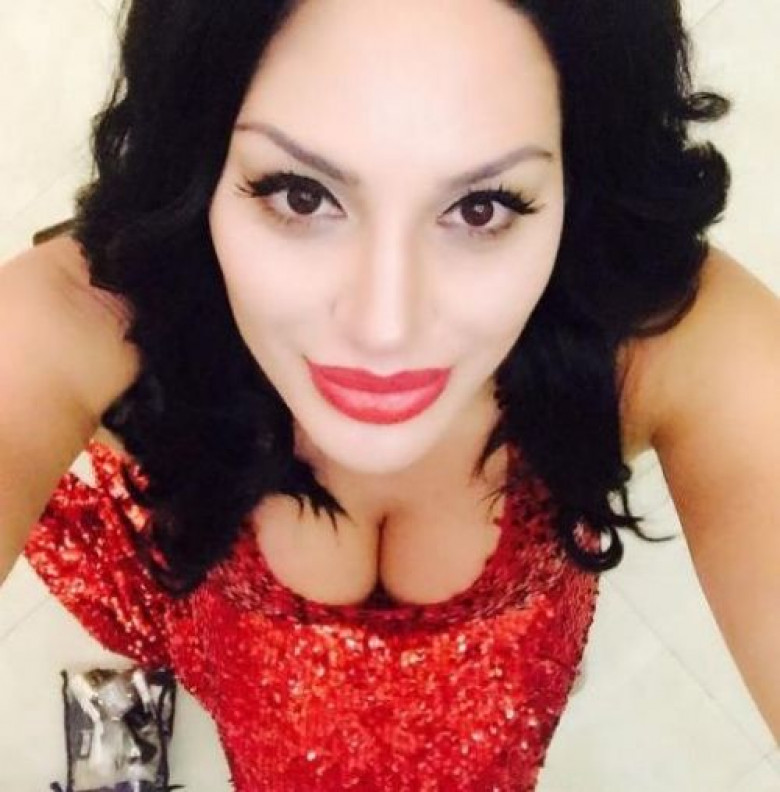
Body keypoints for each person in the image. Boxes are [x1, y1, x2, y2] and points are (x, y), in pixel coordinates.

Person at [2, 0, 779, 789]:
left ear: (578, 178)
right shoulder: (99, 319)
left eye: (481, 207)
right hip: (251, 685)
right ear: (201, 165)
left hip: (498, 702)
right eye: (301, 195)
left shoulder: (662, 340)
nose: (385, 329)